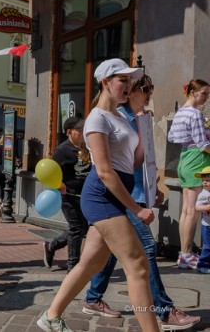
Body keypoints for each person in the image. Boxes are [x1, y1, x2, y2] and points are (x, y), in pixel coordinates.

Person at [37, 58, 159, 332]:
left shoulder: (118, 117)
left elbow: (135, 162)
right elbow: (104, 172)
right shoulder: (97, 118)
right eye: (122, 80)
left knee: (90, 263)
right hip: (102, 197)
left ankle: (51, 316)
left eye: (130, 80)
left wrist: (143, 127)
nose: (128, 85)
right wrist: (137, 209)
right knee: (138, 265)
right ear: (105, 83)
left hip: (116, 195)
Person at [82, 75, 200, 330]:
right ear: (132, 91)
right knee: (146, 249)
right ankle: (164, 310)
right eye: (146, 89)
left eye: (151, 88)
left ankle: (91, 298)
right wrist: (137, 202)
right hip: (119, 196)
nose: (150, 93)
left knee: (104, 255)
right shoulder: (119, 117)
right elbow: (117, 164)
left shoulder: (141, 117)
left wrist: (153, 189)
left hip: (133, 194)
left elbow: (142, 161)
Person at [167, 78, 210, 269]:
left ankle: (185, 253)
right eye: (204, 94)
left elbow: (171, 136)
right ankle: (186, 254)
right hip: (197, 159)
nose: (207, 98)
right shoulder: (194, 114)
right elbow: (203, 144)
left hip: (185, 157)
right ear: (193, 93)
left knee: (187, 209)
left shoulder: (181, 112)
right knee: (192, 210)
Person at [42, 117, 90, 272]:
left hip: (84, 195)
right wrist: (60, 185)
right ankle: (73, 266)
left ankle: (52, 246)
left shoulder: (86, 148)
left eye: (84, 129)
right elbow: (50, 171)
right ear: (69, 132)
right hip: (68, 196)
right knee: (77, 228)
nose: (83, 133)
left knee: (82, 228)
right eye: (80, 130)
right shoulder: (62, 150)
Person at [194, 166, 210, 274]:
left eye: (208, 180)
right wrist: (206, 207)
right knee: (208, 246)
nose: (205, 183)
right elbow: (197, 207)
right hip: (207, 225)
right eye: (203, 180)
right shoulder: (203, 194)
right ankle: (202, 265)